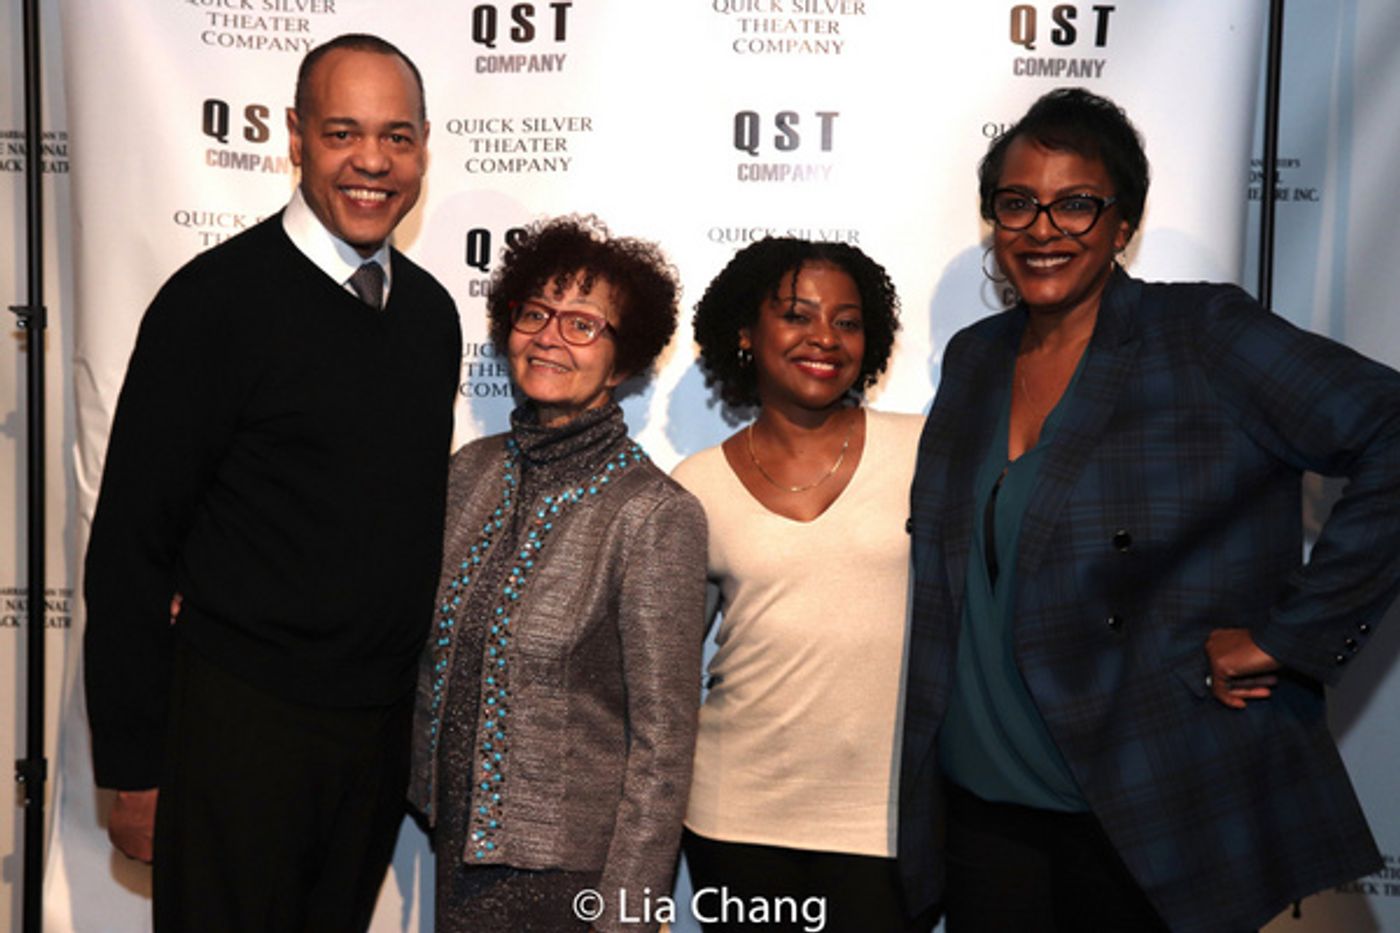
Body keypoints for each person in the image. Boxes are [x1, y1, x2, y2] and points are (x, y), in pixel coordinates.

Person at [898, 86, 1400, 933]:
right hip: (984, 812)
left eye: (1076, 204)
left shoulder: (1199, 333)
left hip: (1146, 801)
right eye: (1017, 203)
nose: (1043, 227)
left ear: (1122, 223)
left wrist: (1292, 634)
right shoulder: (976, 357)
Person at [83, 34, 460, 932]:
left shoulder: (432, 314)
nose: (373, 161)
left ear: (424, 148)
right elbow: (132, 545)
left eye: (397, 137)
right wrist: (133, 770)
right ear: (295, 137)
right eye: (343, 132)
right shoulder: (212, 305)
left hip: (372, 741)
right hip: (235, 732)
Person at [407, 215, 707, 933]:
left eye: (582, 324)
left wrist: (628, 914)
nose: (548, 336)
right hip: (453, 858)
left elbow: (663, 749)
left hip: (574, 881)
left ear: (624, 356)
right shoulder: (467, 474)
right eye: (535, 313)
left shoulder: (653, 514)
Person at [674, 238, 928, 932]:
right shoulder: (694, 486)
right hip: (733, 816)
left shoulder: (925, 451)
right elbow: (660, 667)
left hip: (883, 824)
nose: (825, 337)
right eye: (798, 315)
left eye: (847, 321)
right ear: (747, 334)